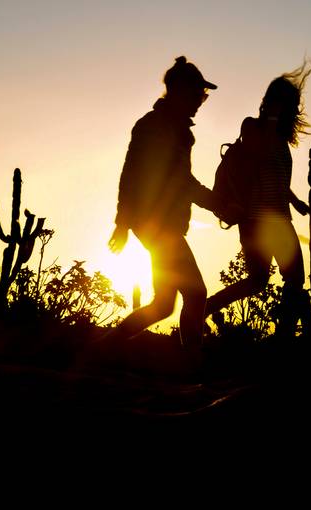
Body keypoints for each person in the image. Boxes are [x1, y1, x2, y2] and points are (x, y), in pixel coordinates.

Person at [106, 56, 221, 352]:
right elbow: (133, 174)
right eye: (198, 94)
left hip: (158, 224)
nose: (200, 101)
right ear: (181, 92)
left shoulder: (174, 129)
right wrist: (122, 223)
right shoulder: (157, 127)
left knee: (162, 305)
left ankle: (103, 349)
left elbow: (180, 181)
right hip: (158, 225)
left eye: (202, 96)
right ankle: (192, 366)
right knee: (196, 295)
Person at [205, 62, 311, 337]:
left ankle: (204, 309)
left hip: (278, 217)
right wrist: (273, 118)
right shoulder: (253, 127)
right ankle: (282, 338)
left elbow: (273, 177)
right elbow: (258, 156)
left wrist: (295, 201)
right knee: (273, 280)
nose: (293, 109)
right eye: (290, 103)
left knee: (269, 281)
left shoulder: (280, 138)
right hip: (255, 219)